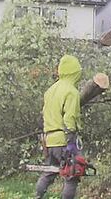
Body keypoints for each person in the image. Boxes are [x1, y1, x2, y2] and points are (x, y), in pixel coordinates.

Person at [35, 55, 83, 199]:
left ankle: (38, 196)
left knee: (49, 172)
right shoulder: (71, 92)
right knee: (72, 174)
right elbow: (70, 118)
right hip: (64, 141)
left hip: (50, 141)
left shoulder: (50, 90)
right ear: (75, 72)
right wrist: (71, 143)